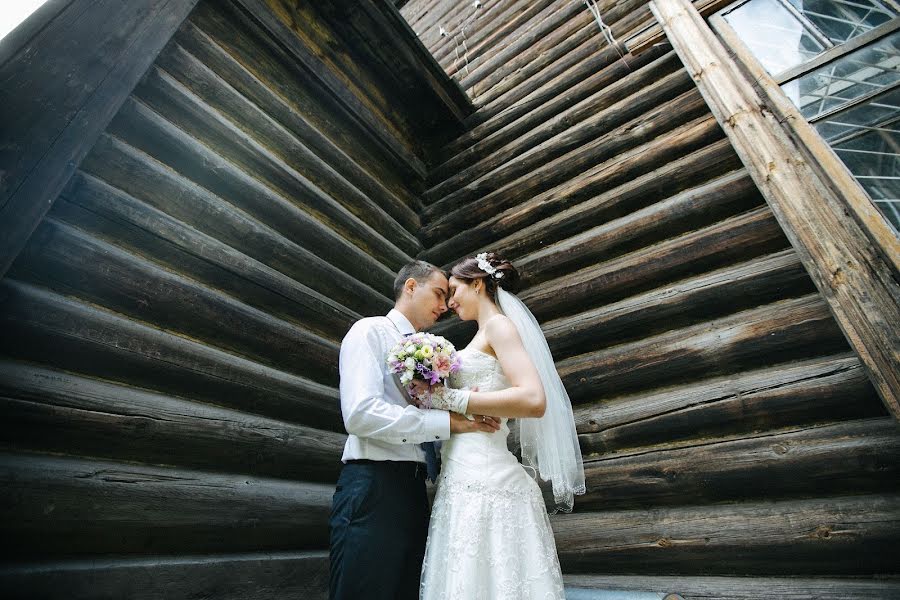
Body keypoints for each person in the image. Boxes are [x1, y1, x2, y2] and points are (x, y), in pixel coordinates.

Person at [414, 252, 585, 600]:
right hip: (462, 471)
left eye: (454, 291)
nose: (449, 303)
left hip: (486, 474)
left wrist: (454, 400)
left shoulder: (500, 326)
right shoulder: (482, 333)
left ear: (477, 283)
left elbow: (534, 400)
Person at [329, 260, 501, 600]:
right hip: (372, 486)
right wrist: (448, 423)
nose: (444, 306)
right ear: (410, 287)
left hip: (416, 488)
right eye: (439, 294)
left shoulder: (433, 351)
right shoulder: (370, 332)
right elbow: (361, 415)